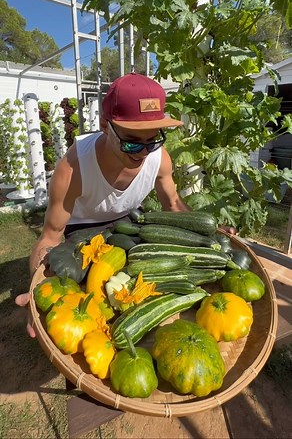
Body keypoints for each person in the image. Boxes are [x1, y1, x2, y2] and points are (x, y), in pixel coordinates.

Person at [15, 72, 236, 337]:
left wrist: (212, 233)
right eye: (132, 141)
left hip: (130, 225)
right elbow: (50, 236)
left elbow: (174, 204)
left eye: (152, 140)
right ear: (106, 125)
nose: (143, 152)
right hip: (81, 236)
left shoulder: (159, 159)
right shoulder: (73, 168)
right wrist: (37, 288)